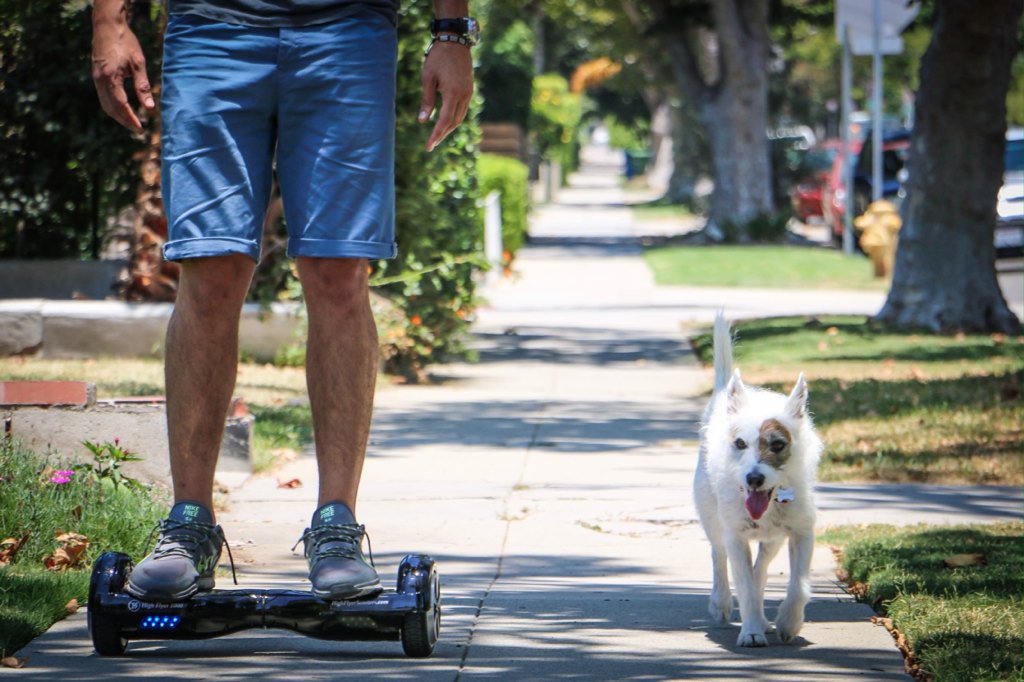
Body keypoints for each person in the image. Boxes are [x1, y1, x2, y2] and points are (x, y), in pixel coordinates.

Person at [91, 0, 477, 601]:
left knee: (338, 271)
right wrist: (109, 21)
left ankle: (337, 525)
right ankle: (189, 523)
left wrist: (453, 31)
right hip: (210, 25)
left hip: (348, 27)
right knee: (210, 270)